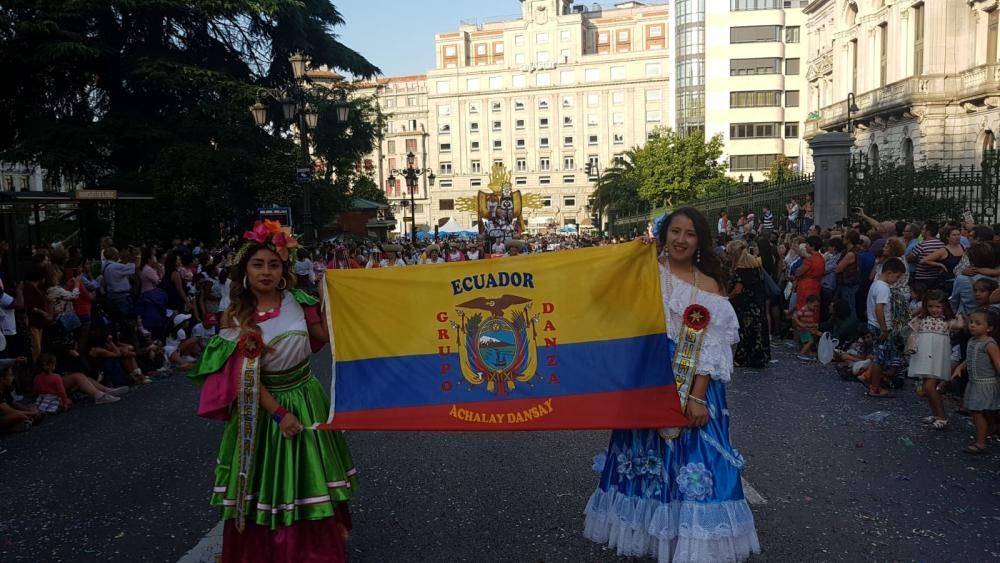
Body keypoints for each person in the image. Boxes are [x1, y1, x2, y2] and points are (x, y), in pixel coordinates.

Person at [584, 207, 759, 563]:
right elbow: (601, 296)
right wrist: (626, 258)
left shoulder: (708, 285)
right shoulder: (646, 272)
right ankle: (651, 531)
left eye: (689, 233)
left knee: (695, 454)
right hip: (647, 378)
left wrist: (696, 396)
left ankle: (696, 539)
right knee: (645, 454)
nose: (680, 239)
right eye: (674, 231)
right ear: (663, 235)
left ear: (700, 241)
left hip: (691, 380)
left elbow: (710, 346)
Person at [189, 221, 357, 562]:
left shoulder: (299, 300)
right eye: (258, 264)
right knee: (266, 484)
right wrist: (279, 414)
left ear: (284, 269)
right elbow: (241, 378)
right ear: (245, 271)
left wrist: (332, 295)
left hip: (307, 397)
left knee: (311, 477)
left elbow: (325, 338)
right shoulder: (235, 317)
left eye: (273, 264)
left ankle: (314, 552)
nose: (266, 272)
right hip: (262, 409)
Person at [908, 290, 961, 430]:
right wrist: (910, 347)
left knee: (929, 386)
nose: (934, 309)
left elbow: (961, 325)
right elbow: (913, 333)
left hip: (937, 357)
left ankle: (942, 416)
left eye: (938, 306)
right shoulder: (922, 319)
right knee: (927, 386)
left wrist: (962, 314)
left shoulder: (947, 321)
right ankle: (936, 415)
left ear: (944, 306)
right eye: (931, 306)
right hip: (924, 355)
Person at [952, 308, 1000, 455]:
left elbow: (998, 363)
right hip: (975, 382)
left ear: (989, 328)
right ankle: (991, 429)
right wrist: (960, 367)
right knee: (986, 411)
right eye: (971, 322)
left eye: (978, 323)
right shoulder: (972, 340)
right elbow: (970, 358)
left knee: (977, 412)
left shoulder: (989, 344)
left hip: (986, 383)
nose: (972, 325)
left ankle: (981, 443)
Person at [865, 258, 907, 397]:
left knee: (878, 356)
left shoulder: (876, 285)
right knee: (880, 359)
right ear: (889, 272)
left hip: (872, 323)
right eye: (897, 276)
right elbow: (879, 309)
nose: (897, 280)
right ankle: (875, 387)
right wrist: (884, 328)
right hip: (880, 325)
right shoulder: (883, 288)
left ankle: (873, 383)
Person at [727, 240, 771, 368]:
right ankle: (760, 356)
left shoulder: (741, 268)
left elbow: (738, 289)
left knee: (745, 331)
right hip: (758, 302)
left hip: (745, 304)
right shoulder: (754, 264)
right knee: (758, 330)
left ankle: (743, 357)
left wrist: (727, 297)